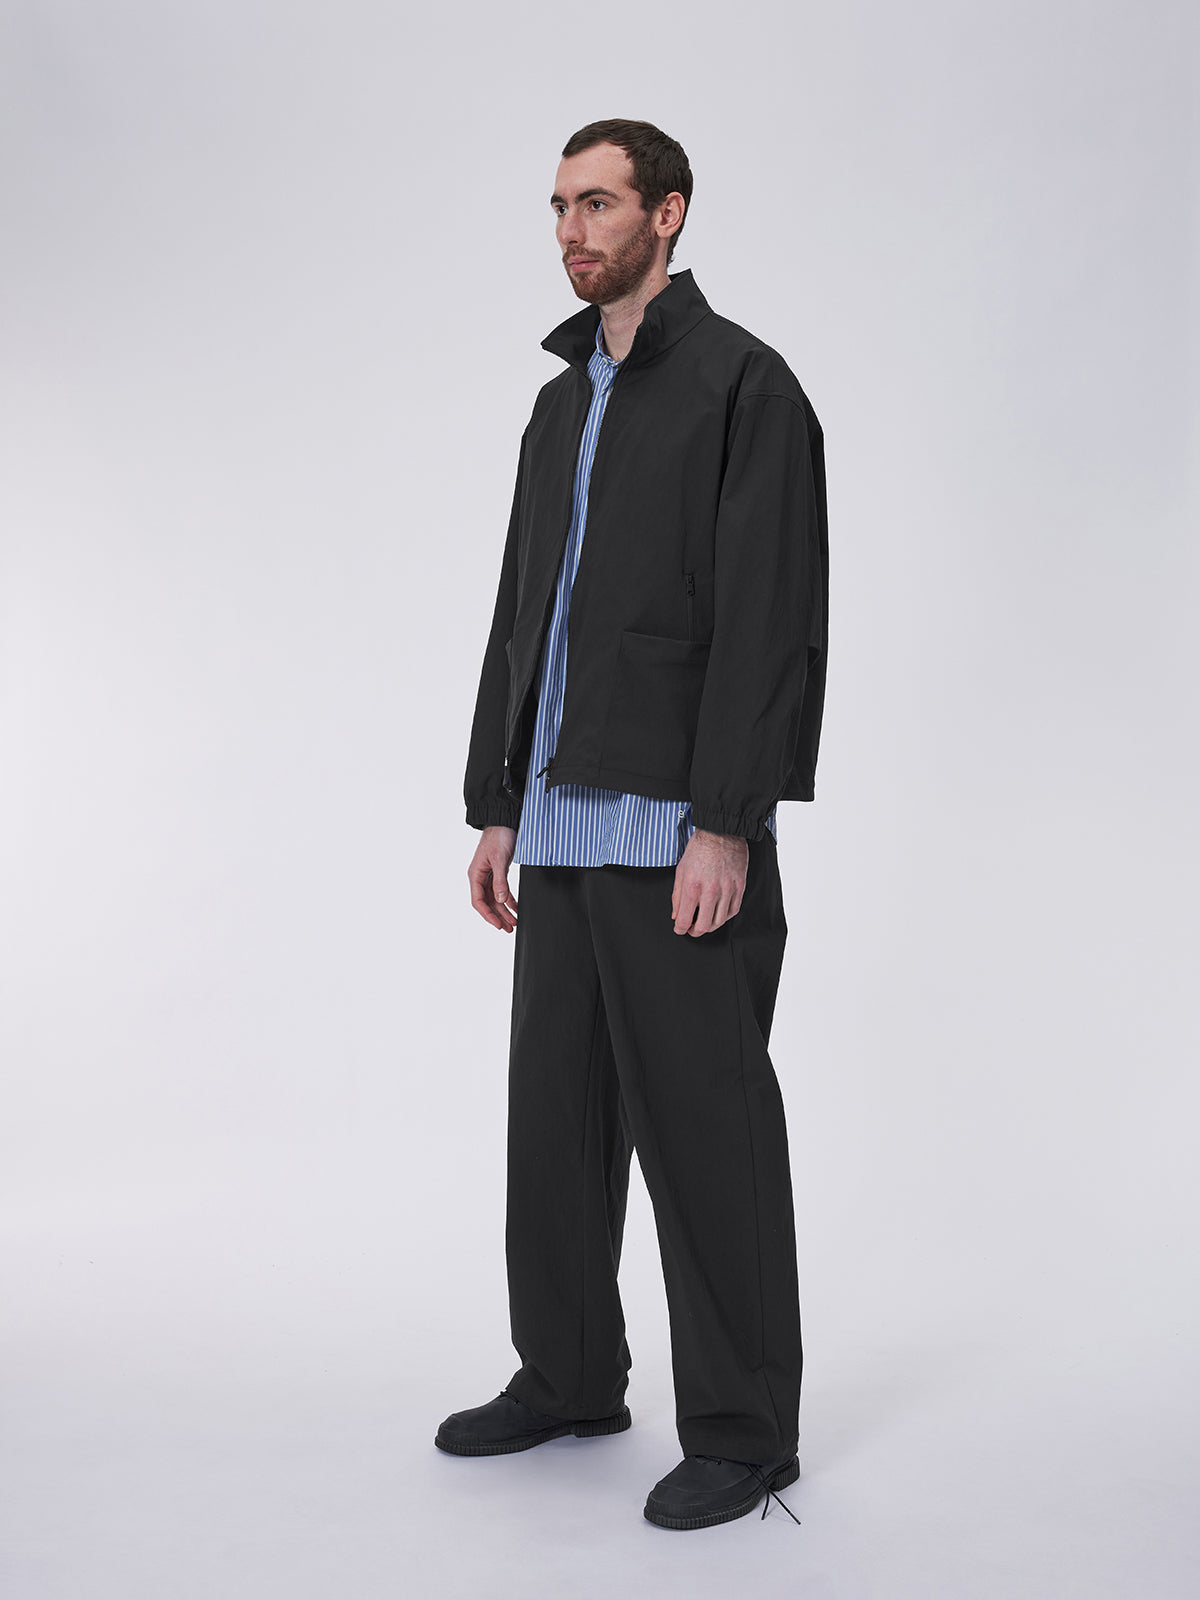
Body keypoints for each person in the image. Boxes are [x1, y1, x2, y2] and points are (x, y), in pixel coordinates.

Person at [438, 118, 829, 1532]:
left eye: (598, 203)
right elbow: (522, 612)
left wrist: (727, 821)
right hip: (556, 824)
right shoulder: (558, 407)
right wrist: (496, 803)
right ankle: (567, 1377)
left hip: (676, 831)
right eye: (559, 206)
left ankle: (745, 1429)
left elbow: (771, 618)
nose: (572, 230)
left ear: (668, 214)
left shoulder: (745, 386)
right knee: (554, 1123)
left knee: (707, 1130)